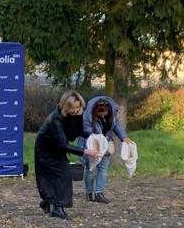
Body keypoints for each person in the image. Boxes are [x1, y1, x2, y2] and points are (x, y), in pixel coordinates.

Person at [35, 91, 101, 219]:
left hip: (57, 146)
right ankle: (57, 208)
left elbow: (79, 130)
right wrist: (85, 151)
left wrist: (92, 136)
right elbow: (63, 145)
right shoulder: (56, 119)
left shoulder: (77, 114)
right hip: (45, 149)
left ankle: (48, 203)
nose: (76, 110)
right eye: (73, 108)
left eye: (78, 107)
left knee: (58, 174)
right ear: (66, 107)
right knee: (62, 174)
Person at [79, 95, 133, 203]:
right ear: (95, 112)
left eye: (105, 114)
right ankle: (89, 193)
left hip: (106, 144)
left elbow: (116, 126)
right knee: (90, 169)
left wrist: (123, 137)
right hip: (91, 145)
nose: (103, 116)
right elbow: (84, 131)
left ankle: (99, 193)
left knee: (103, 169)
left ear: (109, 110)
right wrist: (98, 138)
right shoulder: (87, 116)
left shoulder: (112, 115)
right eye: (100, 114)